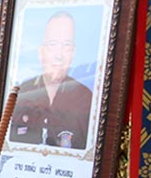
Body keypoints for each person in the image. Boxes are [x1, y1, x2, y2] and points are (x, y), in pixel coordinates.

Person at [10, 11, 93, 149]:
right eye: (53, 45)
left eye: (66, 46)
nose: (59, 55)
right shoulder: (21, 94)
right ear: (41, 51)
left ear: (73, 53)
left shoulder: (85, 99)